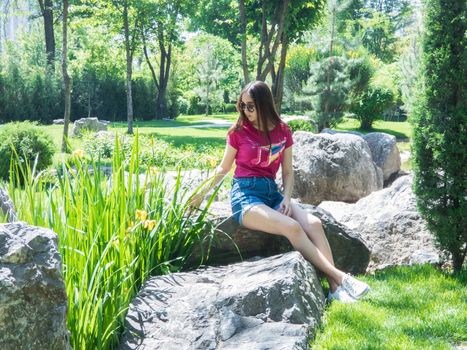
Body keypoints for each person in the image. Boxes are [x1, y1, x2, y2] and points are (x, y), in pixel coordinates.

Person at [190, 81, 369, 302]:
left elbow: (287, 172)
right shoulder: (238, 132)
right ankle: (341, 278)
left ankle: (333, 288)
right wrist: (200, 194)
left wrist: (286, 198)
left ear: (264, 105)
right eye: (242, 106)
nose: (246, 111)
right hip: (246, 196)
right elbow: (223, 168)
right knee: (292, 227)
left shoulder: (283, 131)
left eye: (250, 106)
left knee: (314, 224)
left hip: (272, 193)